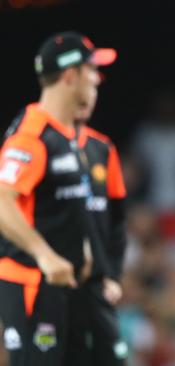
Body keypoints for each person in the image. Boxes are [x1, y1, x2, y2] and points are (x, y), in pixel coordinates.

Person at [0, 31, 116, 365]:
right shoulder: (33, 134)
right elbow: (3, 200)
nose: (97, 78)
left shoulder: (68, 136)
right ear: (70, 75)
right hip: (31, 281)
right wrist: (44, 255)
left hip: (62, 286)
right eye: (92, 70)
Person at [65, 85, 128, 366]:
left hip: (96, 284)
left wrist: (112, 274)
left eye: (93, 87)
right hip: (55, 282)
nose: (89, 95)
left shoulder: (102, 149)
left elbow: (117, 221)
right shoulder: (40, 141)